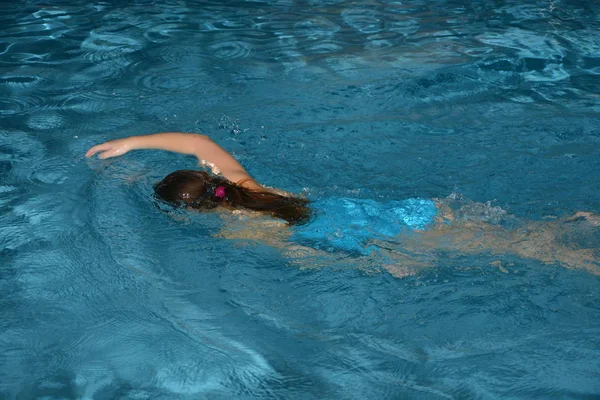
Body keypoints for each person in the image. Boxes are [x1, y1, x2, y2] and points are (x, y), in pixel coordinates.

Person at [86, 132, 599, 276]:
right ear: (210, 181)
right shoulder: (249, 185)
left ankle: (579, 257)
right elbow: (198, 140)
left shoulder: (234, 228)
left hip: (352, 235)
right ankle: (573, 221)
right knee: (486, 229)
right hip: (364, 211)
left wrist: (381, 263)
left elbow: (303, 254)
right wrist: (131, 143)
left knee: (520, 251)